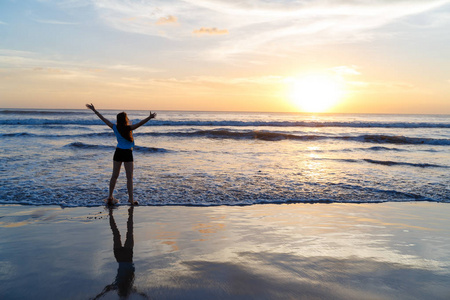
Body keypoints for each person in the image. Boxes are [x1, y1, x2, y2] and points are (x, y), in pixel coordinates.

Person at [86, 103, 157, 205]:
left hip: (118, 152)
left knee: (114, 176)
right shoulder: (129, 128)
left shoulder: (114, 127)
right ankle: (131, 200)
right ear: (125, 119)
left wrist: (95, 110)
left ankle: (110, 197)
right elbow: (141, 123)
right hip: (127, 153)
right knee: (129, 178)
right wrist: (149, 117)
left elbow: (103, 119)